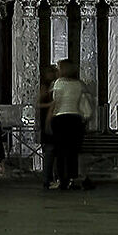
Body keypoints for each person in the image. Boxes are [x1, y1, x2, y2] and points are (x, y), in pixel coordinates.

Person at [46, 58, 93, 190]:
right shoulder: (79, 84)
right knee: (73, 152)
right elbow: (86, 102)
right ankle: (72, 178)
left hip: (61, 119)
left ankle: (62, 180)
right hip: (75, 119)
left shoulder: (58, 83)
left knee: (60, 152)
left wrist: (48, 120)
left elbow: (55, 102)